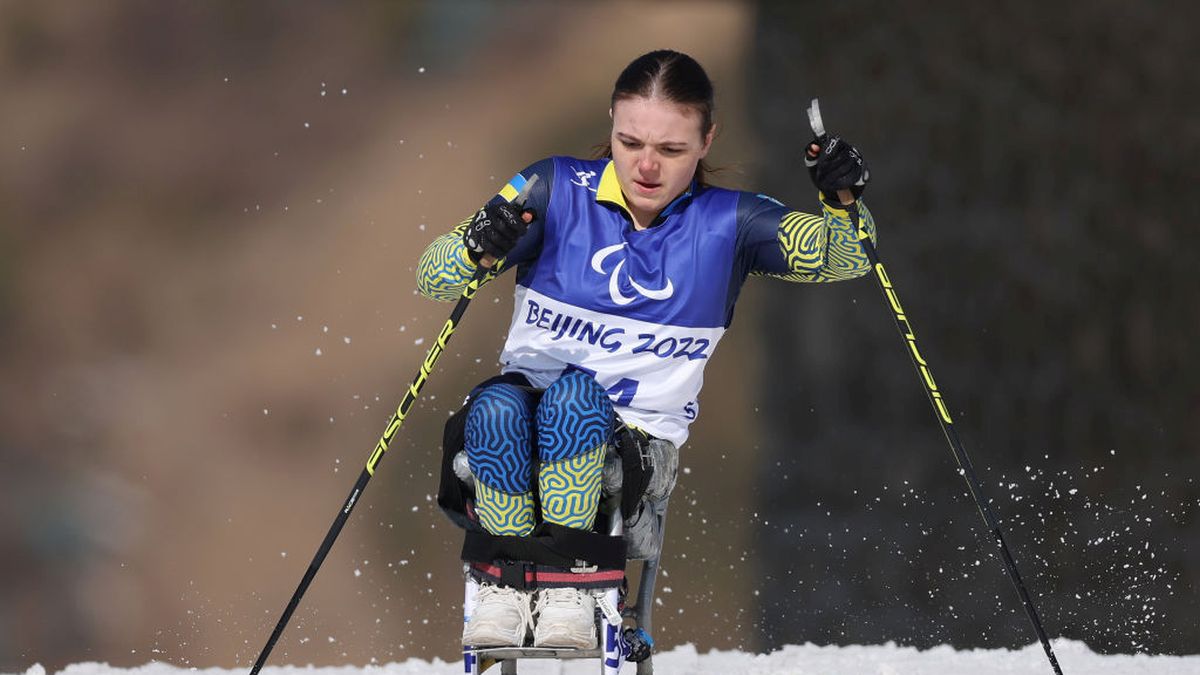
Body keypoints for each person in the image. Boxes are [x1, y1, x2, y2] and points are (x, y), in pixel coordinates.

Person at [415, 49, 876, 650]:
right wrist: (477, 248)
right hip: (526, 411)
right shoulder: (553, 187)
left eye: (672, 150)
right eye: (630, 142)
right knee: (496, 409)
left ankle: (573, 587)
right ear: (611, 121)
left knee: (576, 400)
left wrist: (842, 199)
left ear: (707, 140)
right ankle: (503, 586)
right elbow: (433, 277)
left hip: (635, 438)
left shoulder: (730, 222)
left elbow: (850, 258)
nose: (647, 166)